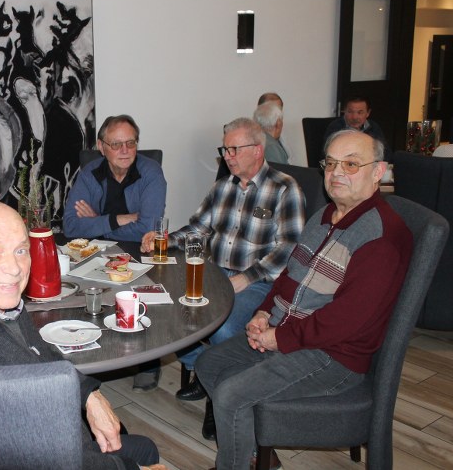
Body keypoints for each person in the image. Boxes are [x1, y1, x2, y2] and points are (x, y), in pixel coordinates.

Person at [195, 130, 412, 470]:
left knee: (230, 394)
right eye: (331, 163)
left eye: (351, 164)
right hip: (292, 330)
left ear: (378, 172)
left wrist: (279, 338)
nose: (337, 173)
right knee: (209, 363)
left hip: (332, 355)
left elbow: (346, 321)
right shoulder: (324, 215)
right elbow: (288, 275)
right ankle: (253, 455)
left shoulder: (381, 238)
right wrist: (263, 312)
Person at [0, 200, 165, 470]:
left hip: (45, 440)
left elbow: (39, 349)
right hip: (48, 454)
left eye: (20, 250)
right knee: (144, 453)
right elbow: (44, 457)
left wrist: (89, 395)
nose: (14, 268)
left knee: (141, 446)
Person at [137, 118, 305, 430]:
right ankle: (205, 373)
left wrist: (247, 277)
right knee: (166, 309)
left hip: (260, 283)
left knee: (223, 330)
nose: (227, 156)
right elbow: (198, 229)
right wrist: (164, 239)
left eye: (234, 149)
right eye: (225, 149)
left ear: (257, 150)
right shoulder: (222, 187)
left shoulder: (284, 189)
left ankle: (219, 400)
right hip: (216, 274)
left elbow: (290, 249)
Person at [64, 114, 166, 241]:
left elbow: (148, 230)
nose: (125, 150)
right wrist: (120, 219)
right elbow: (70, 226)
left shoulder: (151, 173)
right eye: (116, 144)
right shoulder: (89, 173)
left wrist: (99, 225)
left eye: (130, 143)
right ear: (101, 147)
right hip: (96, 251)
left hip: (138, 250)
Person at [323, 96, 391, 160]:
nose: (354, 117)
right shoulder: (335, 127)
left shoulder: (373, 127)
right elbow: (328, 154)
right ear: (344, 111)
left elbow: (385, 154)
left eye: (360, 112)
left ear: (368, 113)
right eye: (350, 112)